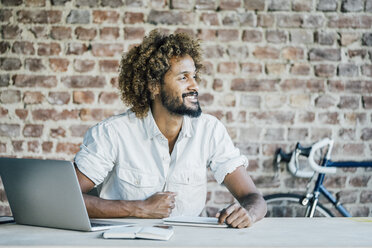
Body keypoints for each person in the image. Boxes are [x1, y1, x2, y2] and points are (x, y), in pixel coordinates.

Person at [74, 29, 267, 228]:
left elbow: (254, 198)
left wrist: (248, 214)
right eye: (183, 77)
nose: (195, 86)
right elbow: (68, 197)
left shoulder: (210, 131)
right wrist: (138, 208)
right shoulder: (113, 133)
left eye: (194, 76)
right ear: (154, 86)